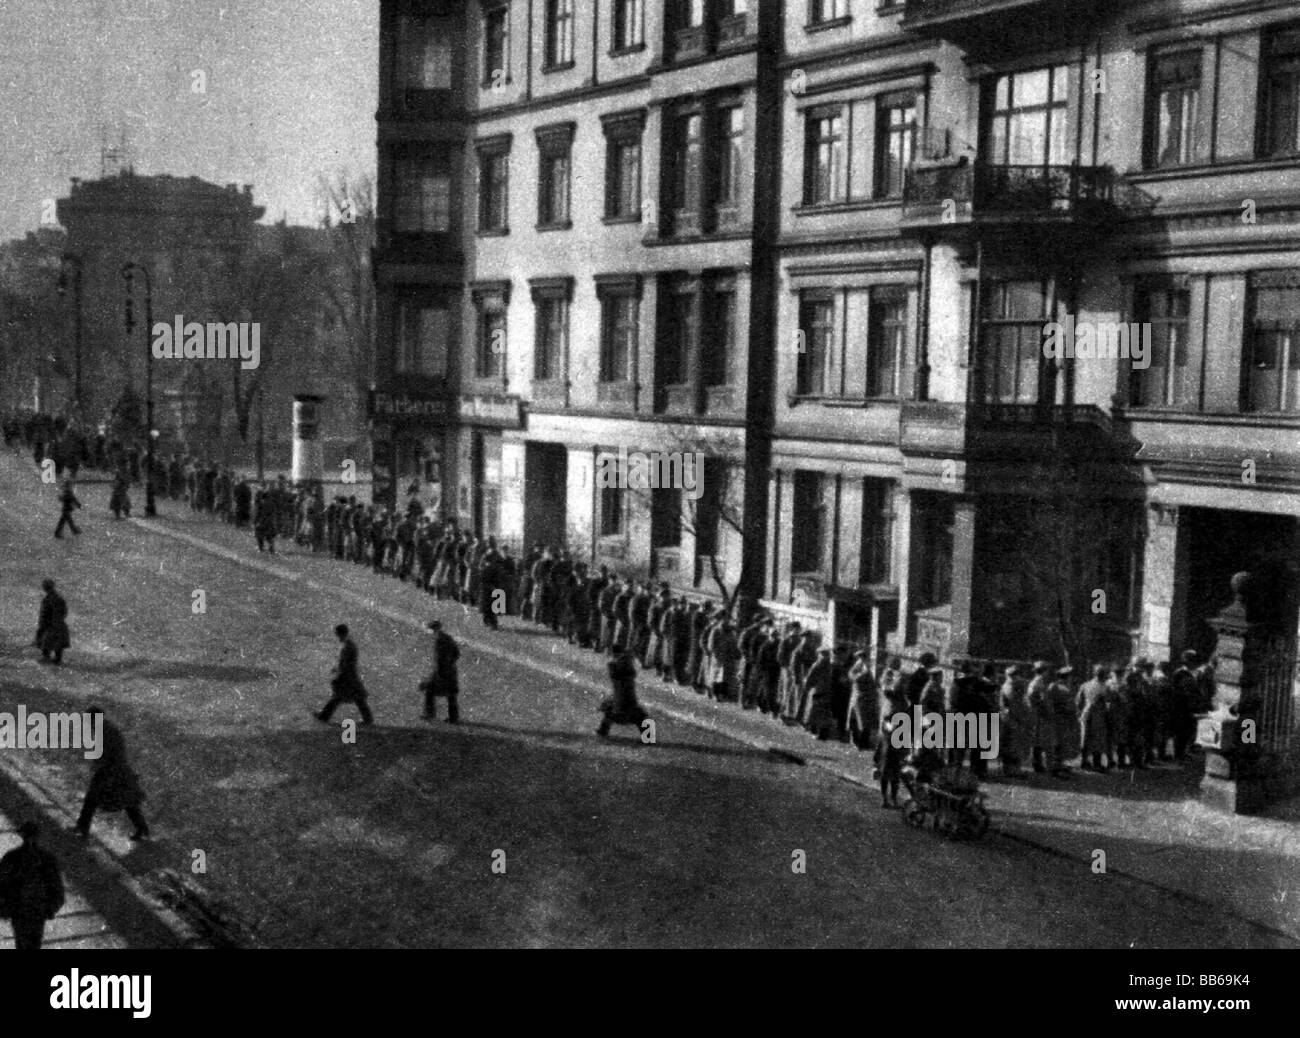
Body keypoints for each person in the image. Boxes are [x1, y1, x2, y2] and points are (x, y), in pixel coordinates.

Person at [75, 706, 150, 841]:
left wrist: (97, 765)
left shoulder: (106, 732)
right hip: (117, 772)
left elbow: (105, 754)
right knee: (128, 802)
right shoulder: (107, 730)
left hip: (112, 772)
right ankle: (142, 830)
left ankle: (82, 827)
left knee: (92, 799)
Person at [0, 821, 65, 950]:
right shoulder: (47, 858)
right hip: (38, 909)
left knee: (21, 941)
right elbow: (56, 887)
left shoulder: (12, 857)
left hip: (19, 908)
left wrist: (4, 909)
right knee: (34, 942)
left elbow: (2, 884)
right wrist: (50, 909)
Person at [316, 624, 374, 725]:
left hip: (348, 676)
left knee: (342, 697)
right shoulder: (349, 645)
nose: (338, 637)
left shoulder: (348, 646)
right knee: (352, 697)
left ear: (341, 634)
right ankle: (324, 716)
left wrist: (340, 672)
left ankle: (324, 716)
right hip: (349, 676)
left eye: (338, 635)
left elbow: (346, 663)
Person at [598, 645, 650, 739]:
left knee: (611, 712)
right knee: (638, 717)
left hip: (621, 697)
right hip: (627, 696)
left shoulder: (615, 665)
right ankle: (648, 738)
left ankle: (603, 730)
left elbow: (614, 671)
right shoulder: (626, 664)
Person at [420, 620, 461, 724]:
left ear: (432, 629)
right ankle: (453, 718)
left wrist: (436, 674)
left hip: (441, 672)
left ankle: (429, 714)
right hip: (451, 671)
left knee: (429, 690)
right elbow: (457, 653)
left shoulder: (438, 640)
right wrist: (451, 663)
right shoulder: (448, 637)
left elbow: (439, 659)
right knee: (451, 695)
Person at [999, 664, 1032, 778]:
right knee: (1015, 746)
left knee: (1009, 745)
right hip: (1016, 719)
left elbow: (1002, 704)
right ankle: (1015, 771)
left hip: (1008, 719)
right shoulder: (1018, 686)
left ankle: (1008, 769)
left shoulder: (1005, 686)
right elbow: (1022, 704)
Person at [1078, 665, 1111, 771]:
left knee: (1085, 738)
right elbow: (1108, 702)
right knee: (1098, 739)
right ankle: (1096, 764)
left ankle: (1084, 761)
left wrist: (1080, 712)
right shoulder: (1104, 687)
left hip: (1086, 714)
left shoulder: (1085, 685)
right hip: (1098, 715)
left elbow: (1078, 700)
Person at [34, 579, 70, 665]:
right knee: (59, 642)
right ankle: (58, 659)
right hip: (59, 623)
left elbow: (44, 613)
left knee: (46, 640)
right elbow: (64, 611)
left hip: (50, 624)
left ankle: (46, 657)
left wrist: (43, 624)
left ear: (45, 588)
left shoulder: (48, 599)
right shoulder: (59, 598)